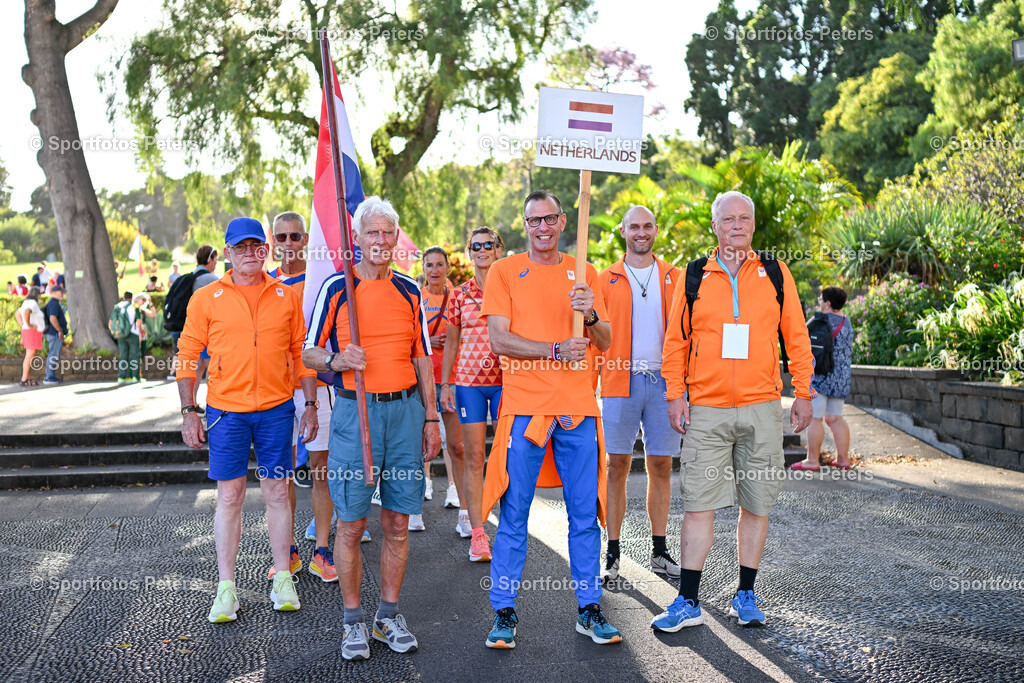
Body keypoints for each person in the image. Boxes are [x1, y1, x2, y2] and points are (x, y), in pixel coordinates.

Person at [652, 190, 815, 633]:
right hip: (705, 408)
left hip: (762, 407)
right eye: (728, 219)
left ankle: (746, 593)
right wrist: (674, 394)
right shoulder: (693, 277)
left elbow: (796, 336)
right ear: (715, 226)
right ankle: (687, 600)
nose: (737, 225)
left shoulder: (776, 273)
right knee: (698, 505)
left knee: (757, 504)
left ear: (753, 225)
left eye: (744, 218)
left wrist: (804, 393)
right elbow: (675, 344)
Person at [480, 189, 621, 649]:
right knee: (514, 514)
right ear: (524, 225)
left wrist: (591, 311)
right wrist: (555, 350)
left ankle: (589, 608)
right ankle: (503, 611)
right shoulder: (503, 271)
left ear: (563, 221)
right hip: (524, 408)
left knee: (584, 516)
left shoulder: (586, 273)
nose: (542, 228)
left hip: (578, 407)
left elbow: (605, 339)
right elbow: (500, 341)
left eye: (549, 219)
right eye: (532, 221)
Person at [303, 196, 441, 662]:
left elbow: (422, 356)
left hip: (404, 415)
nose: (381, 241)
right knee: (351, 524)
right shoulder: (336, 289)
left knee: (399, 521)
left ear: (395, 238)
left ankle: (387, 616)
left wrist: (431, 415)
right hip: (352, 415)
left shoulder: (410, 290)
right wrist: (337, 359)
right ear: (357, 238)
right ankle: (353, 621)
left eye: (388, 233)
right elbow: (308, 352)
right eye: (372, 233)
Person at [177, 217, 318, 624]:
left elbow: (299, 353)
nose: (249, 254)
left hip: (276, 410)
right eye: (240, 247)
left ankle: (283, 579)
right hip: (226, 412)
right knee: (231, 496)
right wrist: (189, 411)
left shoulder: (285, 295)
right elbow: (188, 354)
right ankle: (226, 588)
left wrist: (309, 404)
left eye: (257, 246)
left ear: (266, 250)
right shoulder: (208, 297)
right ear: (227, 253)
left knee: (277, 492)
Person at [597, 205, 682, 583]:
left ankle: (660, 551)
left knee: (660, 466)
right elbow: (591, 339)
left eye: (647, 226)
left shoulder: (675, 278)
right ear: (623, 231)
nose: (641, 232)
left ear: (656, 230)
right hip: (619, 382)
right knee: (616, 466)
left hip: (664, 383)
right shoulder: (605, 279)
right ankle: (613, 552)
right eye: (634, 226)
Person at [267, 211, 337, 584]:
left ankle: (322, 550)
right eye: (283, 237)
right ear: (273, 240)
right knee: (281, 478)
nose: (289, 244)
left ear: (306, 238)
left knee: (320, 471)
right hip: (277, 393)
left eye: (296, 237)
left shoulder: (320, 282)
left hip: (319, 391)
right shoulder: (263, 283)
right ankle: (288, 551)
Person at [440, 228, 504, 561]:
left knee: (507, 457)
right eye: (475, 246)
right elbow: (451, 342)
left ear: (498, 249)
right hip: (469, 384)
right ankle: (478, 534)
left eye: (487, 245)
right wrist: (446, 384)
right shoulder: (460, 294)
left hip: (507, 381)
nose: (481, 250)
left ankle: (508, 528)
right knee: (474, 455)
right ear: (470, 252)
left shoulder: (512, 288)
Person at [416, 246, 467, 533]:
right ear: (422, 269)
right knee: (417, 440)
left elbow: (465, 332)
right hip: (422, 378)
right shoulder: (416, 298)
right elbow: (410, 336)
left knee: (456, 443)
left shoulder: (457, 297)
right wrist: (428, 340)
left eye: (439, 264)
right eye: (429, 265)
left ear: (447, 267)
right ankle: (416, 499)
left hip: (451, 378)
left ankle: (453, 490)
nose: (434, 270)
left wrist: (450, 341)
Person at [792, 286, 854, 471]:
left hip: (821, 376)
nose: (819, 303)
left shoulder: (820, 321)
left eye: (820, 300)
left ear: (827, 303)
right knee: (836, 418)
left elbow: (803, 341)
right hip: (841, 378)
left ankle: (812, 461)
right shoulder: (846, 321)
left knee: (815, 419)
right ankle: (843, 460)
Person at [169, 246, 219, 396]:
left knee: (199, 366)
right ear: (209, 259)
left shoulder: (189, 277)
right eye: (216, 259)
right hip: (205, 329)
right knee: (211, 365)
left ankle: (193, 401)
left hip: (188, 327)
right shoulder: (211, 279)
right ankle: (212, 401)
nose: (216, 262)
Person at [15, 287, 46, 386]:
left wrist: (23, 325)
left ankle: (27, 378)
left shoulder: (26, 302)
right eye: (40, 294)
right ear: (37, 294)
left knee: (30, 356)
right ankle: (24, 379)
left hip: (30, 332)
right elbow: (26, 312)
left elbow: (17, 314)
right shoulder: (32, 303)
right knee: (29, 355)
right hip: (32, 332)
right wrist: (29, 325)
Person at [43, 285, 67, 384]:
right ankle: (49, 377)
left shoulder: (55, 303)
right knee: (53, 354)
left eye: (62, 292)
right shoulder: (53, 303)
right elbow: (53, 318)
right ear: (54, 293)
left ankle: (50, 376)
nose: (62, 294)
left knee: (54, 354)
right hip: (54, 334)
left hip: (54, 333)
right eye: (60, 292)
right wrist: (59, 330)